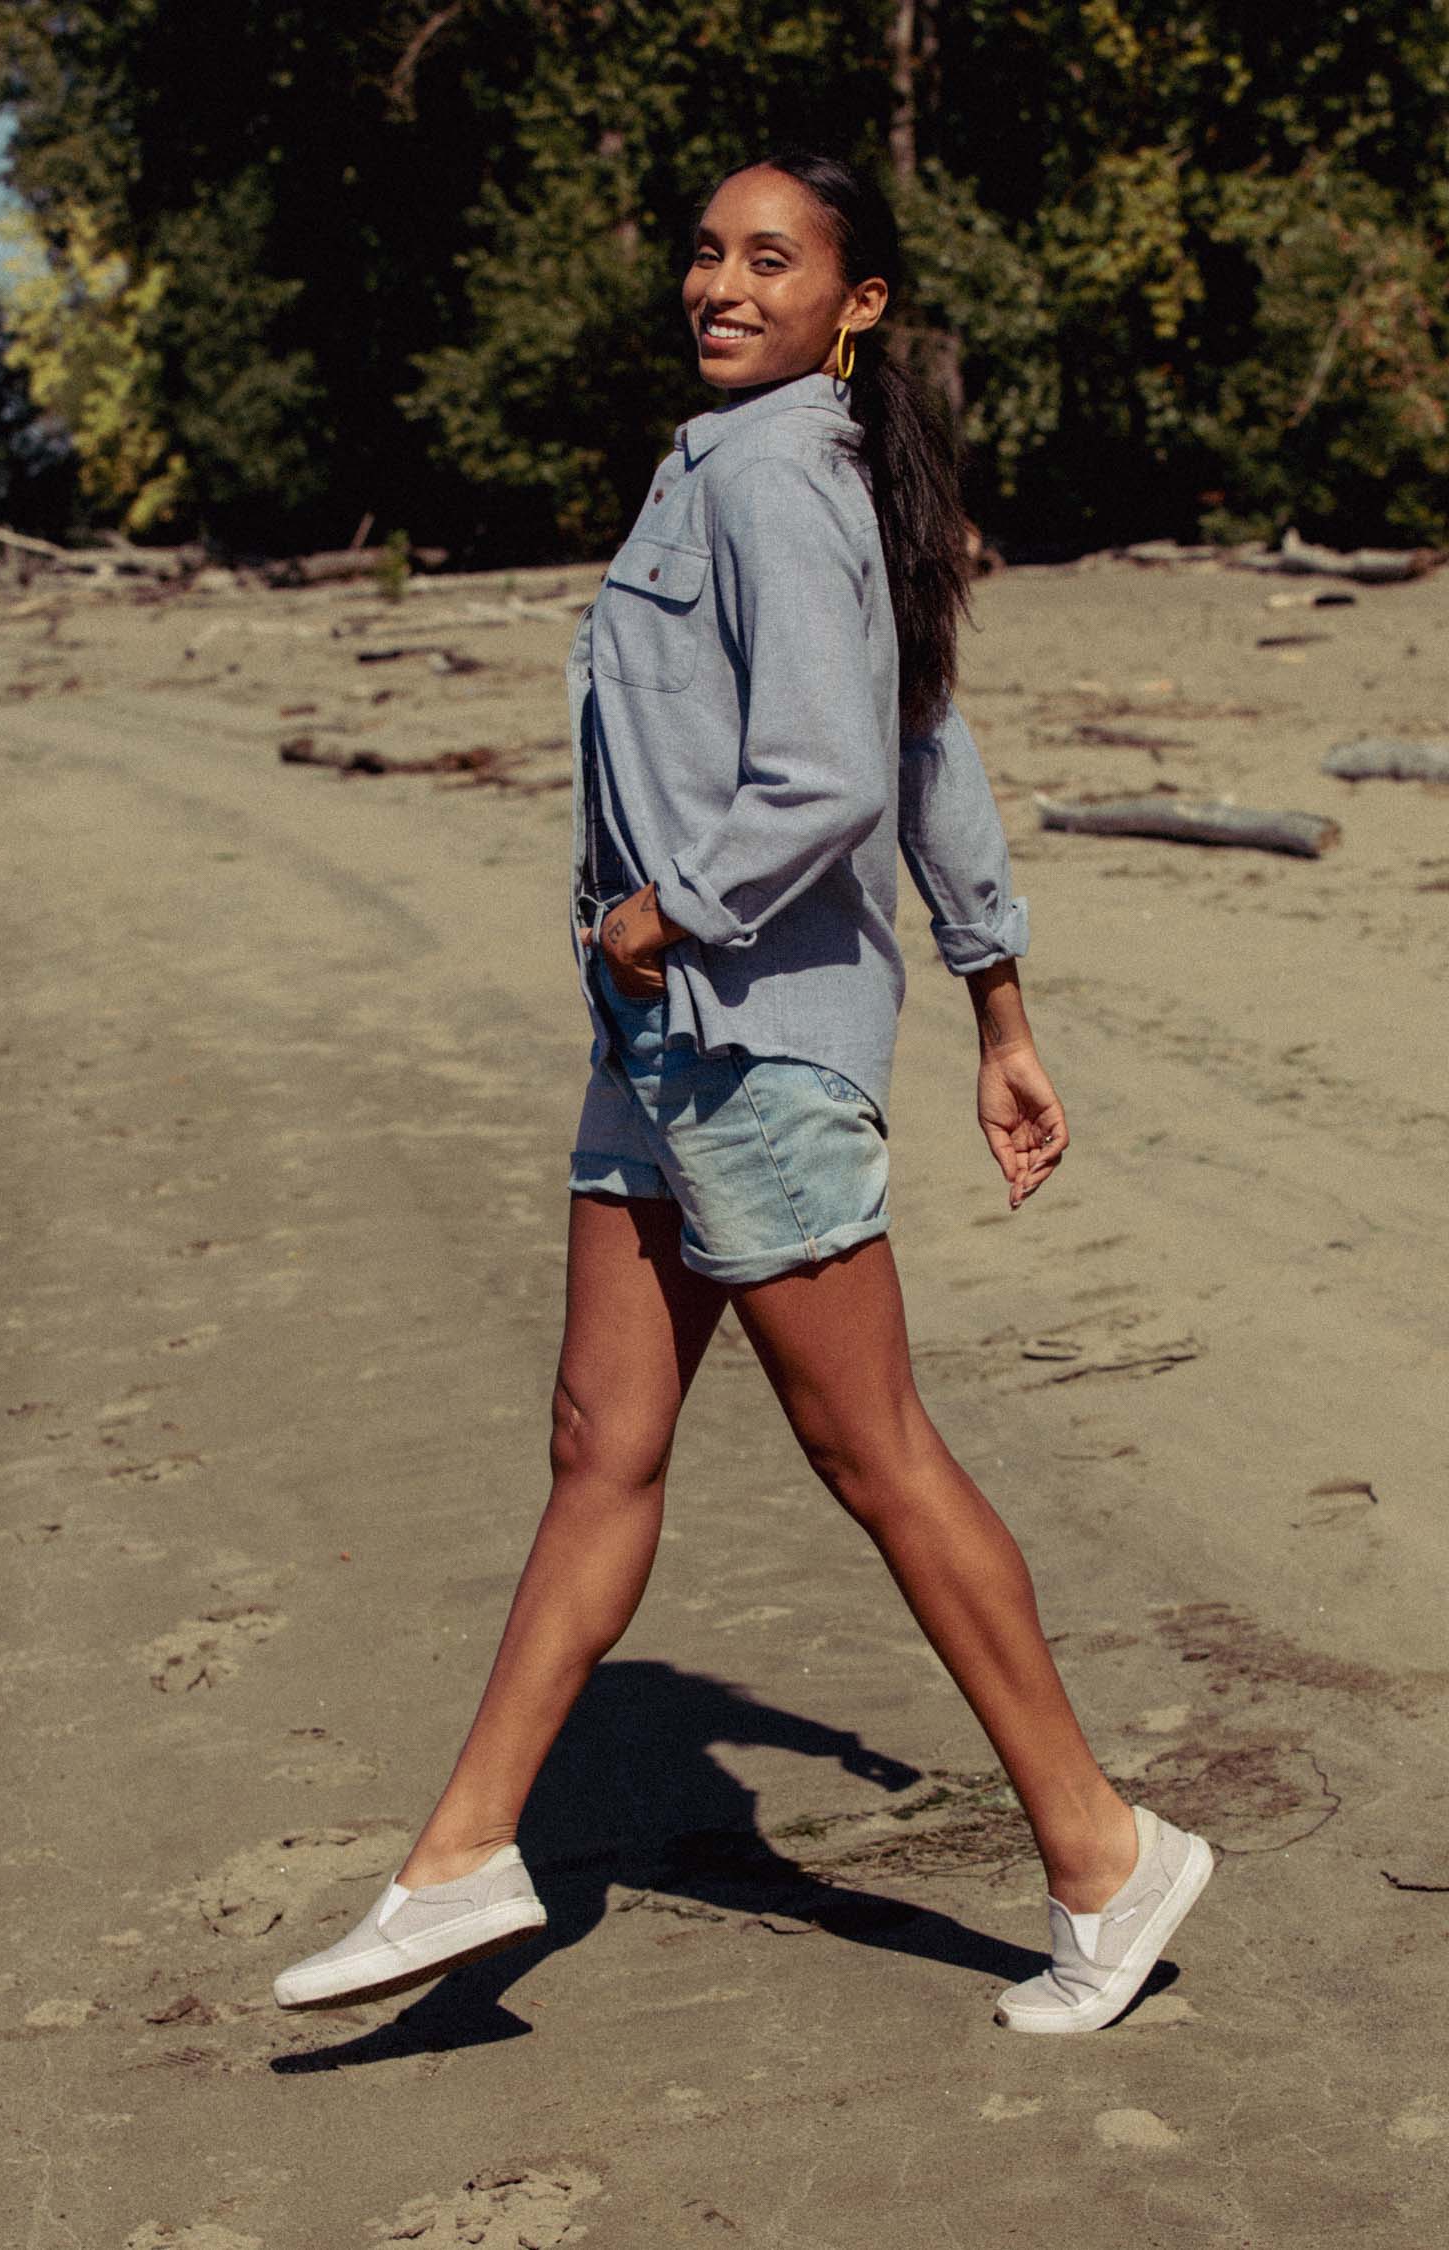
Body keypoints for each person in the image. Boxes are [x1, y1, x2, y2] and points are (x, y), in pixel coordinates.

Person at [273, 150, 1211, 2036]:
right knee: (599, 1442)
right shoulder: (787, 465)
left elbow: (829, 782)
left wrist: (656, 913)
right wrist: (996, 1006)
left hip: (746, 1040)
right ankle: (463, 1855)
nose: (722, 282)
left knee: (876, 1453)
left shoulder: (781, 475)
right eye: (707, 252)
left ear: (851, 303)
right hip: (668, 1043)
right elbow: (926, 735)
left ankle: (1106, 1850)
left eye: (771, 260)